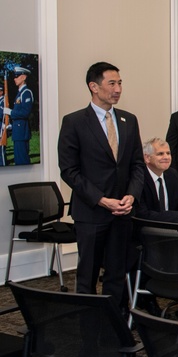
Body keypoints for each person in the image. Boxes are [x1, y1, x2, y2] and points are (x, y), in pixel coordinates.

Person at [58, 61, 145, 306]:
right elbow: (69, 170)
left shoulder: (129, 120)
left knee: (117, 273)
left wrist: (132, 195)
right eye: (112, 83)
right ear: (94, 87)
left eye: (120, 83)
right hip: (91, 211)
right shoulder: (74, 122)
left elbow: (137, 164)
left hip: (122, 212)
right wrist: (100, 199)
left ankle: (114, 327)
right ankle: (88, 327)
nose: (118, 89)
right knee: (88, 275)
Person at [10, 66, 33, 165]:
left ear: (23, 77)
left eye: (17, 76)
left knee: (22, 160)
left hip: (22, 132)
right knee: (18, 160)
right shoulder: (20, 93)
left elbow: (25, 112)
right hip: (17, 132)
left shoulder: (26, 93)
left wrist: (10, 112)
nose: (15, 78)